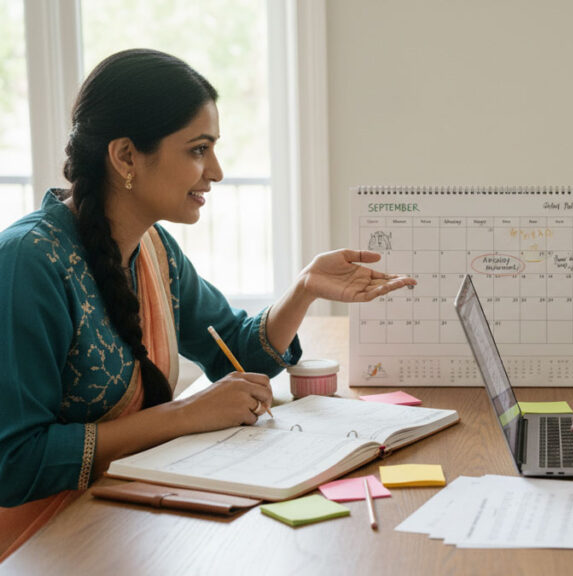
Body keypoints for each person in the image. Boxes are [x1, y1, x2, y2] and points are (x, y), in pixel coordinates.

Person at [0, 49, 415, 556]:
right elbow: (16, 463)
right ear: (126, 156)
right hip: (44, 543)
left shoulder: (155, 250)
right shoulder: (29, 262)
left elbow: (235, 352)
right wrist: (184, 415)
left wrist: (304, 288)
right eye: (198, 150)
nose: (215, 171)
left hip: (128, 518)